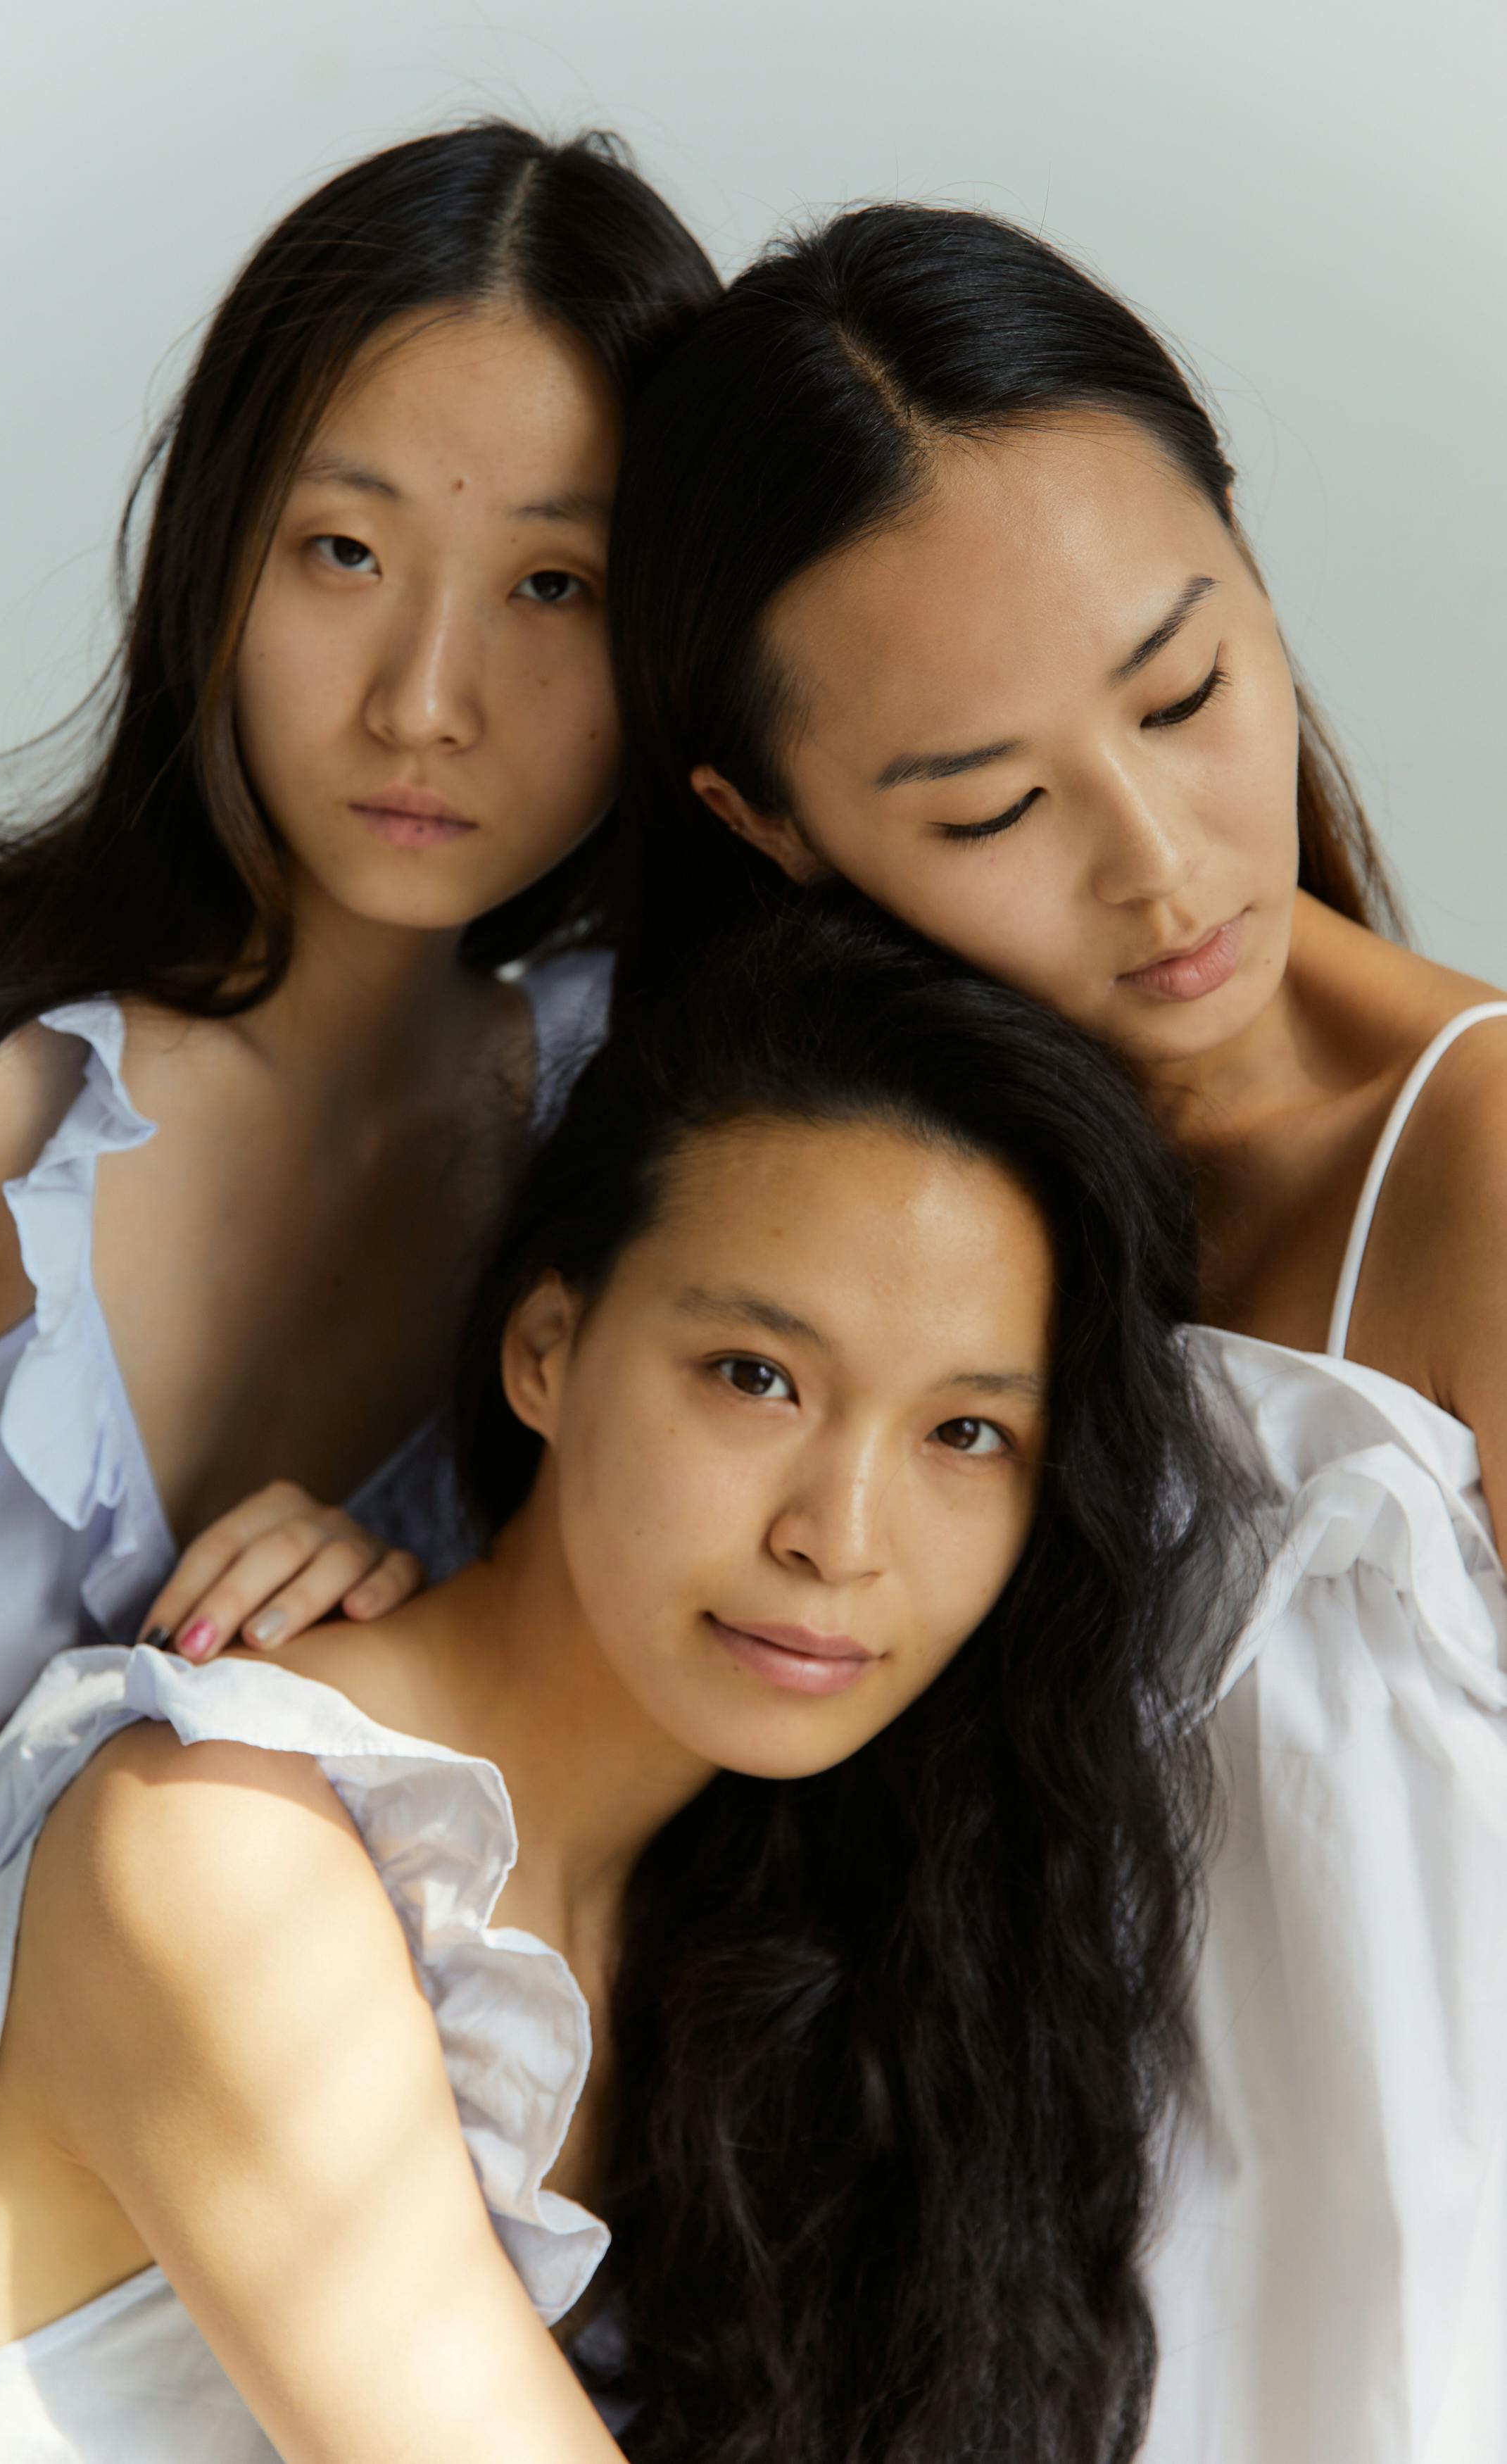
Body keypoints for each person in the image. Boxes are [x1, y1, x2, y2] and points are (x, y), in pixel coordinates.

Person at [0, 898, 1249, 2463]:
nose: (839, 1539)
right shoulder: (223, 1843)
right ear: (545, 1348)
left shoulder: (775, 1940)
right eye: (756, 1377)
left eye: (967, 1434)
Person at [607, 203, 1507, 2460]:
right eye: (987, 805)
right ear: (769, 825)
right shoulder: (772, 1196)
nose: (1160, 860)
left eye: (1187, 690)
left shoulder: (1477, 1174)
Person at [0, 120, 719, 2028]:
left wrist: (389, 1647)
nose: (425, 694)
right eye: (342, 552)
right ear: (214, 558)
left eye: (550, 587)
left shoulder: (628, 1156)